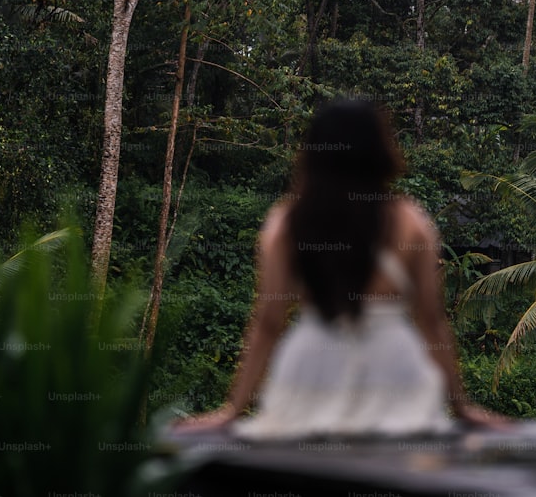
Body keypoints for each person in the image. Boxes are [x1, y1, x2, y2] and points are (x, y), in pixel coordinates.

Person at [175, 98, 503, 438]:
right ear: (378, 151)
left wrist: (231, 410)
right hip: (392, 366)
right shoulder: (409, 221)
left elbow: (269, 322)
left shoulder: (287, 223)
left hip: (313, 365)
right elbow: (431, 320)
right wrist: (462, 408)